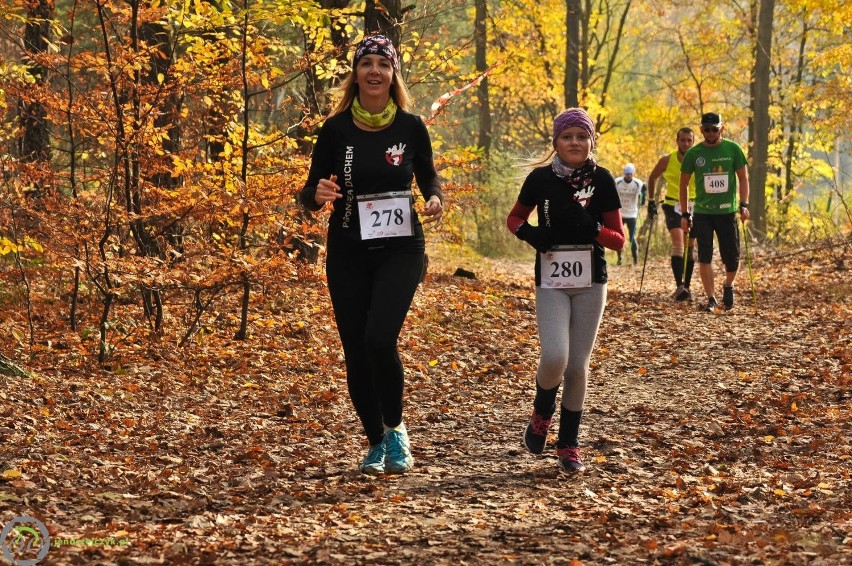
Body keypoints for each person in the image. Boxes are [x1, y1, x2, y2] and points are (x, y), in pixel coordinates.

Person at [298, 35, 444, 475]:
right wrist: (316, 194)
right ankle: (376, 441)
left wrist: (435, 199)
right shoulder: (336, 128)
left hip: (401, 249)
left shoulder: (411, 126)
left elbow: (430, 178)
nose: (375, 71)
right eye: (367, 64)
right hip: (347, 251)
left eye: (384, 63)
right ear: (356, 74)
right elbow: (308, 191)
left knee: (379, 339)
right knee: (356, 351)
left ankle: (396, 430)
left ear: (393, 73)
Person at [507, 108, 625, 473]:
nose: (574, 142)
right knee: (555, 356)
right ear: (556, 142)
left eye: (581, 136)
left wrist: (592, 229)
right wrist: (531, 234)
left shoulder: (603, 180)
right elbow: (514, 219)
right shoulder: (540, 179)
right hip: (552, 281)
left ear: (592, 142)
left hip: (591, 282)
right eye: (567, 136)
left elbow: (619, 240)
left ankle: (568, 444)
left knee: (577, 367)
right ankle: (542, 412)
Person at [679, 112, 749, 312]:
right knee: (705, 256)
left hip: (727, 212)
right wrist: (685, 214)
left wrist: (744, 204)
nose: (710, 133)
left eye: (714, 129)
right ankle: (711, 298)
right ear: (701, 130)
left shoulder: (733, 149)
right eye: (706, 129)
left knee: (732, 257)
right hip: (703, 212)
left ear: (722, 129)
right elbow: (683, 184)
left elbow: (743, 178)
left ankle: (728, 284)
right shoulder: (694, 153)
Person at [646, 127, 697, 300]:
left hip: (694, 205)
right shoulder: (667, 160)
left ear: (693, 142)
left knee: (690, 246)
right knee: (678, 243)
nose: (686, 143)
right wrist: (651, 201)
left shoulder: (699, 159)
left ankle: (687, 286)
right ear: (677, 141)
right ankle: (679, 286)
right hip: (672, 204)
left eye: (689, 140)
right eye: (683, 140)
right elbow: (652, 177)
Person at [614, 163, 646, 265]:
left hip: (632, 214)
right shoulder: (618, 182)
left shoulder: (637, 183)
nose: (629, 176)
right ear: (624, 173)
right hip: (620, 213)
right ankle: (619, 258)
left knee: (632, 238)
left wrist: (644, 196)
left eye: (630, 174)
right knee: (619, 237)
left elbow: (642, 196)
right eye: (627, 174)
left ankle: (635, 261)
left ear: (633, 174)